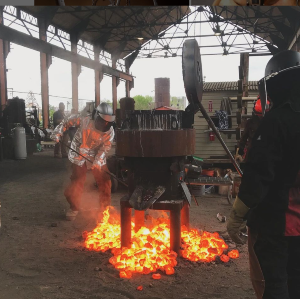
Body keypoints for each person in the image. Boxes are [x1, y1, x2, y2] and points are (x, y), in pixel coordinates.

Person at [227, 50, 300, 299]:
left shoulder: (278, 121)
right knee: (296, 280)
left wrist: (238, 214)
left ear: (277, 85)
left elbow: (259, 174)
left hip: (278, 223)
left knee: (274, 283)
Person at [51, 103, 115, 221]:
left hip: (97, 155)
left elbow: (105, 148)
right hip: (79, 153)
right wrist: (57, 133)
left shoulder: (109, 131)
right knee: (77, 181)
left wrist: (97, 162)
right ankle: (74, 207)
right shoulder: (84, 120)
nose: (105, 125)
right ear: (96, 117)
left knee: (105, 181)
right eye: (102, 121)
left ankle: (104, 210)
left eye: (108, 123)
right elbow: (66, 122)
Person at [236, 96, 271, 162]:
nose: (261, 117)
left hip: (267, 154)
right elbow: (244, 138)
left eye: (262, 115)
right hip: (252, 153)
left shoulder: (271, 123)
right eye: (259, 115)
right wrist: (240, 151)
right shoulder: (250, 123)